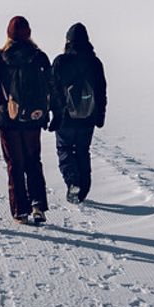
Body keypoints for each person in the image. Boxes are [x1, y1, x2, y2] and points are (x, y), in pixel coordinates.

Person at [0, 15, 52, 224]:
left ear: (8, 34)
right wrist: (54, 112)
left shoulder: (1, 58)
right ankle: (38, 205)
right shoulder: (39, 57)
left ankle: (20, 211)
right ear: (29, 33)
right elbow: (51, 86)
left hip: (8, 118)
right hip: (33, 118)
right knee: (33, 161)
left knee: (14, 164)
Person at [48, 22, 107, 203]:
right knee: (83, 151)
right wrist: (100, 115)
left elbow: (52, 89)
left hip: (65, 118)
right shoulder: (95, 63)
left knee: (64, 149)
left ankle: (73, 182)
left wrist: (54, 114)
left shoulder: (60, 61)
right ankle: (84, 188)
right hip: (88, 116)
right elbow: (101, 91)